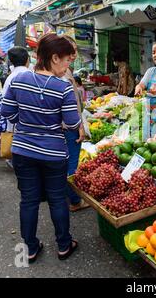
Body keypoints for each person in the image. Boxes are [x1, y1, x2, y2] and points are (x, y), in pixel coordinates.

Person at [1, 33, 81, 263]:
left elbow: (6, 113)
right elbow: (73, 122)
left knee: (29, 200)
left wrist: (27, 121)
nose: (67, 66)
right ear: (54, 57)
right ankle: (64, 245)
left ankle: (31, 249)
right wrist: (53, 121)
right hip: (54, 152)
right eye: (67, 60)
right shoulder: (63, 87)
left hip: (23, 151)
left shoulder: (17, 80)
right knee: (57, 199)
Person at [61, 35, 89, 213]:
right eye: (70, 50)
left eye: (75, 50)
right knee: (71, 164)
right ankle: (75, 201)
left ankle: (69, 196)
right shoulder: (62, 75)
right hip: (69, 126)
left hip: (67, 125)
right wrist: (79, 126)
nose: (73, 54)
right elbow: (69, 106)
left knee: (67, 163)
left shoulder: (65, 71)